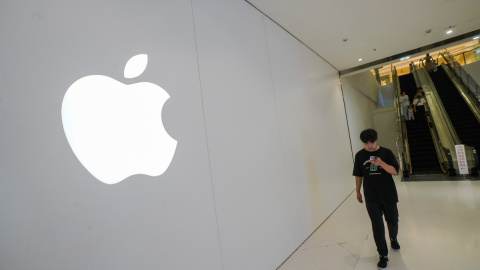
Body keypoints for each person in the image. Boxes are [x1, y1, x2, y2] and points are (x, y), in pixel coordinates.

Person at [353, 129, 400, 270]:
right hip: (371, 196)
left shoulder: (386, 152)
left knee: (393, 220)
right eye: (366, 143)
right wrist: (358, 191)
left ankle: (393, 238)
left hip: (388, 194)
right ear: (362, 142)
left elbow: (395, 171)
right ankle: (383, 255)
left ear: (376, 140)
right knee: (377, 225)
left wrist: (381, 164)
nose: (370, 146)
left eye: (372, 142)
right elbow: (358, 174)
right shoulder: (360, 155)